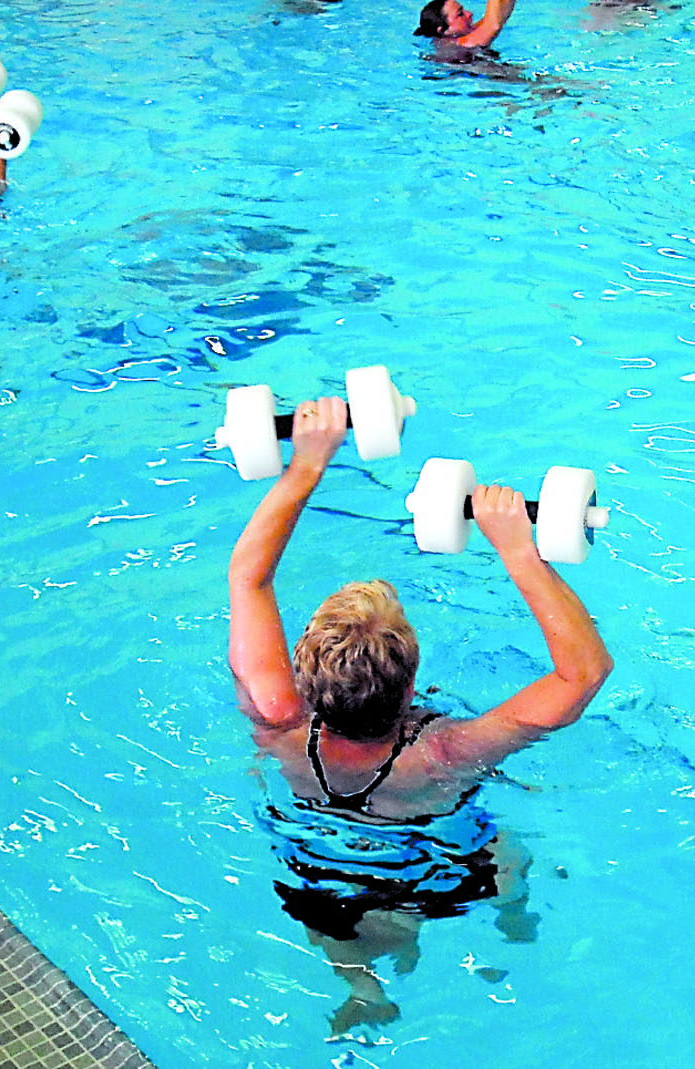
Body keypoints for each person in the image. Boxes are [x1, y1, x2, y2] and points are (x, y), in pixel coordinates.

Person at [228, 398, 613, 1031]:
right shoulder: (441, 754)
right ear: (409, 690)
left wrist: (305, 466)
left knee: (329, 926)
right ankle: (513, 921)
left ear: (305, 675)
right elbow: (584, 674)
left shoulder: (279, 723)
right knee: (508, 858)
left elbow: (248, 578)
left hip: (321, 872)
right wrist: (519, 549)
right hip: (446, 869)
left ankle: (363, 987)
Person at [414, 0, 522, 57]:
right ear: (443, 30)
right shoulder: (457, 45)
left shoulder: (463, 34)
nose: (469, 14)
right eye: (460, 14)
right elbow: (494, 25)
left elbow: (498, 16)